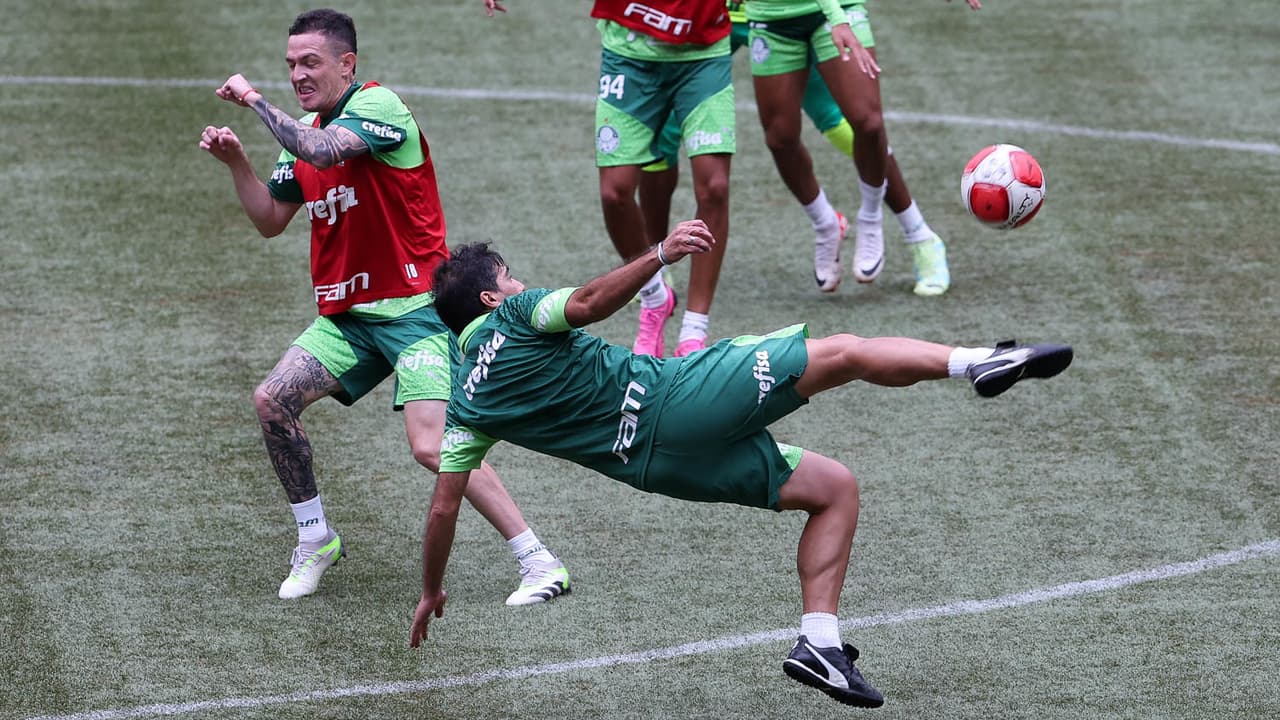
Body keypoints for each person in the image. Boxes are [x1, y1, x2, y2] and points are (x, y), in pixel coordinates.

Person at [409, 218, 1072, 706]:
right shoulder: (518, 316)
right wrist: (659, 252)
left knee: (833, 489)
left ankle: (820, 643)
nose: (519, 282)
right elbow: (585, 304)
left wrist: (432, 587)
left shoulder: (468, 403)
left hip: (660, 470)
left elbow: (444, 505)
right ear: (493, 299)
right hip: (676, 401)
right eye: (509, 278)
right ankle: (976, 361)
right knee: (842, 352)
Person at [199, 8, 569, 605]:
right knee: (273, 400)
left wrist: (254, 101)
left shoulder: (378, 108)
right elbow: (271, 219)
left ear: (347, 63)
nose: (298, 73)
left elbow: (321, 151)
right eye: (291, 64)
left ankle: (539, 560)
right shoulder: (300, 134)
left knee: (431, 445)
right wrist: (238, 163)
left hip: (418, 310)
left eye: (311, 62)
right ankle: (315, 536)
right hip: (349, 317)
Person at [640, 0, 956, 299]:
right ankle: (652, 266)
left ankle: (918, 233)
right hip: (713, 14)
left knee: (850, 122)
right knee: (667, 128)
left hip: (790, 13)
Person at [484, 0, 735, 359]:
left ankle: (694, 331)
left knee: (715, 187)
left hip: (703, 54)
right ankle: (654, 296)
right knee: (614, 193)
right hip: (629, 54)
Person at [744, 0, 980, 294]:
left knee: (866, 121)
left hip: (837, 10)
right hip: (769, 18)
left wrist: (835, 16)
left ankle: (873, 219)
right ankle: (826, 225)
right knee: (779, 137)